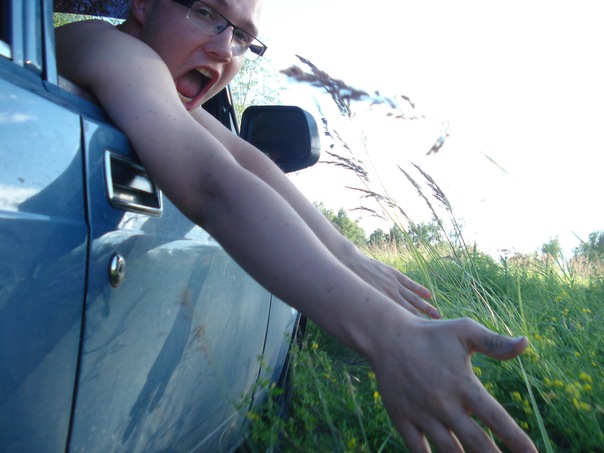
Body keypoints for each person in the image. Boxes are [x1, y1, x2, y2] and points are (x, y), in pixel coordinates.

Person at [55, 1, 538, 451]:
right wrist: (390, 335)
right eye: (205, 12)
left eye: (242, 37)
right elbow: (211, 182)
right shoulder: (111, 47)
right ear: (142, 3)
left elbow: (246, 160)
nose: (224, 48)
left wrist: (349, 256)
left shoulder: (161, 88)